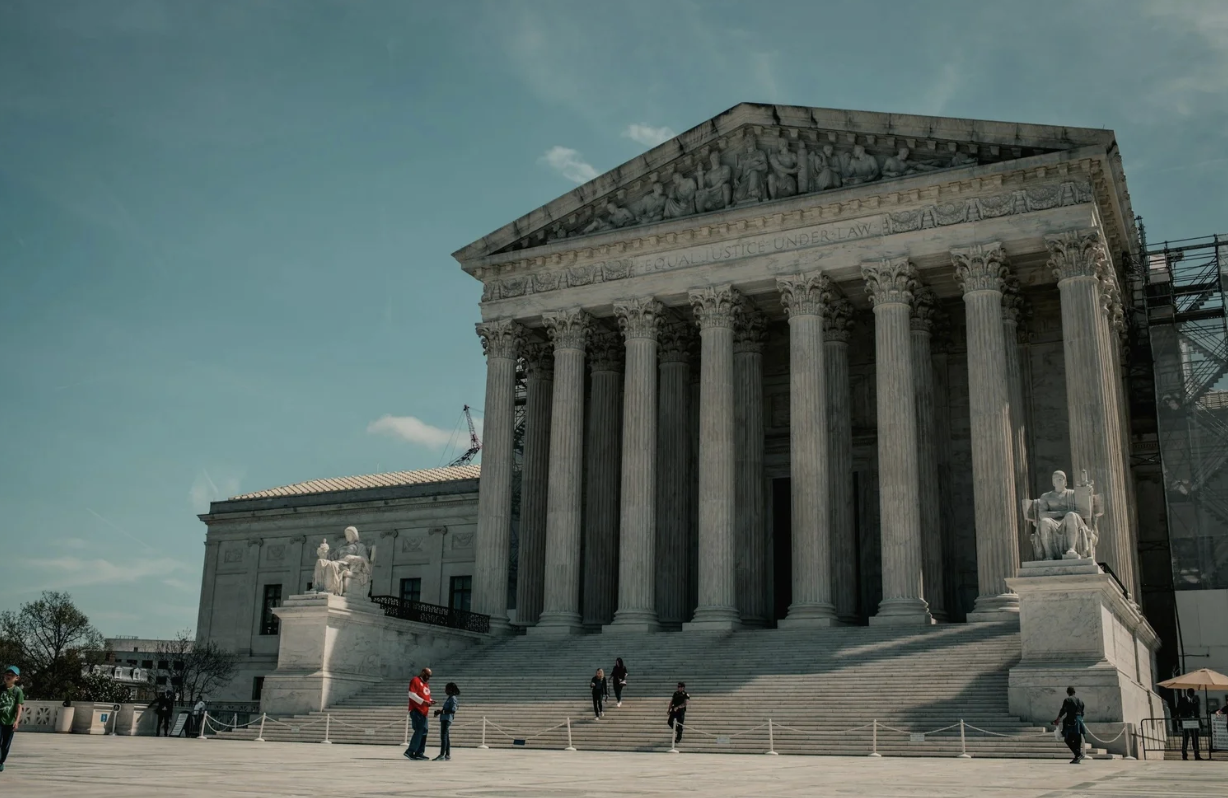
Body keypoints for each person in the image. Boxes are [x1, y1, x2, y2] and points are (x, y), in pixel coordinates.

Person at [404, 667, 433, 760]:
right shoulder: (415, 680)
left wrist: (430, 701)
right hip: (416, 710)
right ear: (422, 672)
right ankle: (410, 751)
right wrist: (423, 702)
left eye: (430, 676)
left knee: (424, 731)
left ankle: (419, 752)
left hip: (424, 712)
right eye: (427, 675)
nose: (428, 677)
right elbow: (412, 694)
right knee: (419, 730)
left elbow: (426, 696)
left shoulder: (426, 684)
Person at [1052, 686, 1086, 764]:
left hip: (1072, 722)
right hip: (1080, 721)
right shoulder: (1081, 701)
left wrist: (1058, 719)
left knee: (1067, 739)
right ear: (1074, 692)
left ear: (1068, 692)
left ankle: (1078, 754)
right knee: (1077, 740)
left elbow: (1063, 710)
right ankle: (1077, 757)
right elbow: (1082, 713)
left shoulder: (1068, 700)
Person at [0, 666, 24, 772]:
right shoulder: (0, 689)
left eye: (12, 675)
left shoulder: (17, 691)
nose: (8, 677)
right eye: (7, 674)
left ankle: (1, 761)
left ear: (17, 678)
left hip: (9, 721)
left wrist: (16, 720)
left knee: (5, 744)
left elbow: (19, 706)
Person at [433, 682, 459, 761]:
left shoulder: (453, 698)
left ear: (450, 689)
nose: (445, 690)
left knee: (443, 736)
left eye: (446, 688)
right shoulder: (450, 698)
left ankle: (442, 754)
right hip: (444, 718)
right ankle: (447, 754)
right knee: (446, 737)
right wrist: (440, 711)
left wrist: (442, 712)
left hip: (447, 719)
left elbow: (453, 710)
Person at [1177, 688, 1203, 761]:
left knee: (1195, 738)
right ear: (1188, 693)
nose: (1192, 695)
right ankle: (1184, 755)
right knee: (1186, 738)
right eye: (1191, 693)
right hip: (1185, 722)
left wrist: (1200, 724)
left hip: (1194, 722)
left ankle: (1197, 755)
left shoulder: (1195, 701)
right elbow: (1178, 709)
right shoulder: (1182, 700)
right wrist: (1179, 719)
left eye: (1193, 693)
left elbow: (1197, 713)